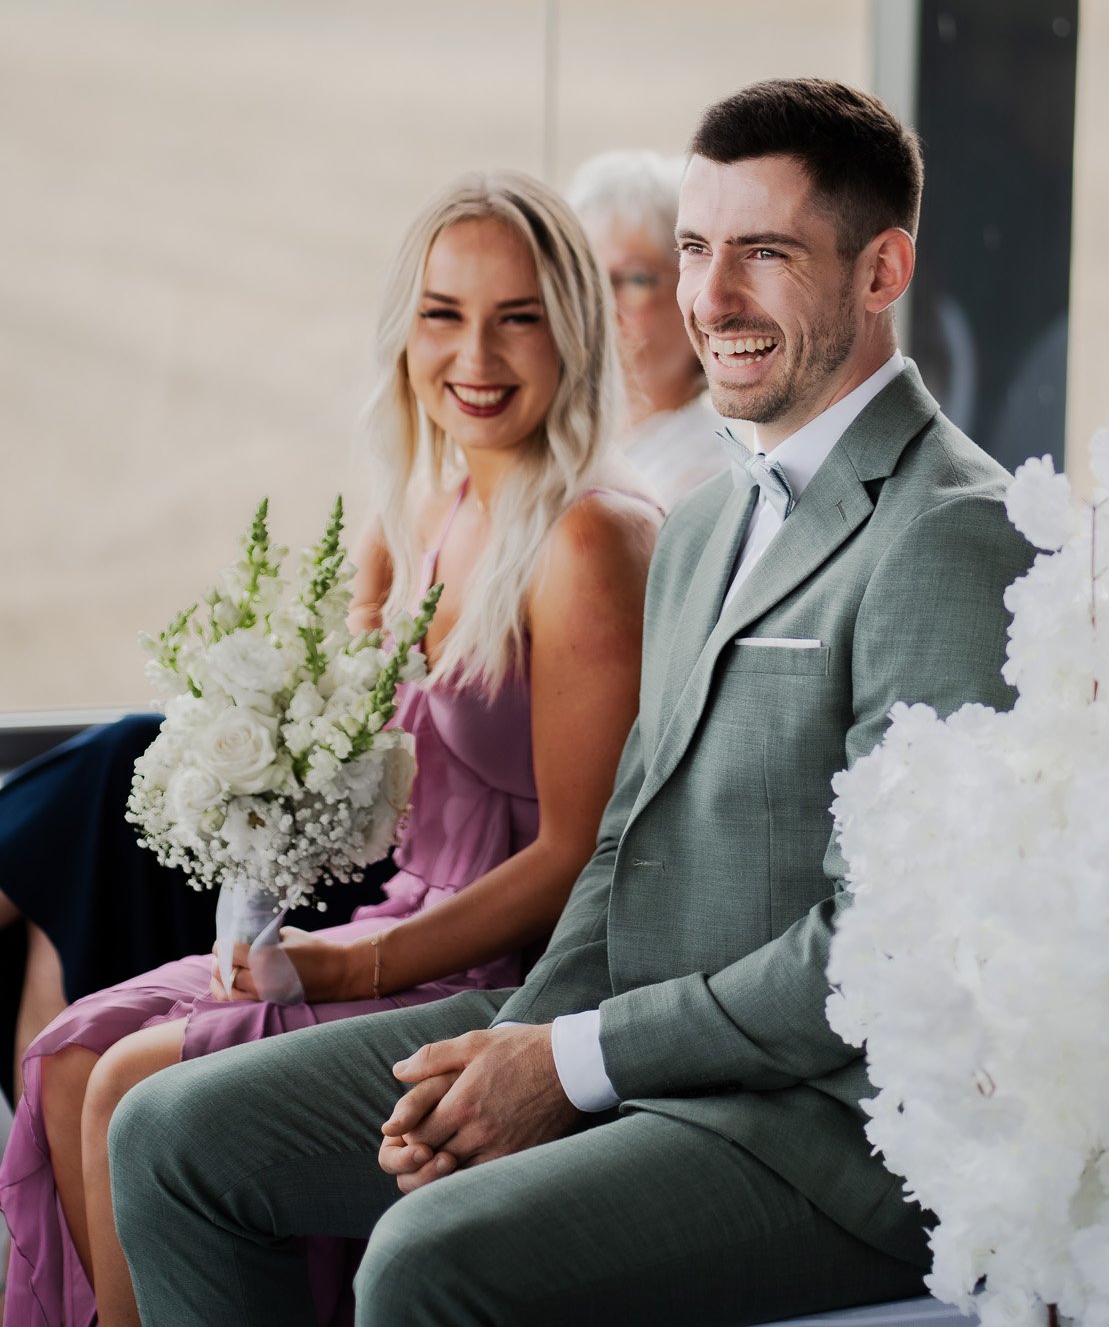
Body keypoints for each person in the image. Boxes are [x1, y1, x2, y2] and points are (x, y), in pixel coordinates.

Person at [108, 76, 1032, 1327]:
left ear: (882, 271)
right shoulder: (708, 519)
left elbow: (885, 952)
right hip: (614, 1041)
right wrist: (520, 1044)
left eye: (765, 253)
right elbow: (621, 852)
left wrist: (570, 1062)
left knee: (428, 1257)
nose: (711, 299)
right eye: (697, 251)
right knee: (173, 1133)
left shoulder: (952, 533)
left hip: (818, 1130)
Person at [0, 170, 659, 1327]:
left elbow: (575, 858)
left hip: (511, 974)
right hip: (394, 924)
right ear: (406, 331)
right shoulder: (420, 512)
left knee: (122, 1082)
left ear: (574, 331)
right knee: (65, 1059)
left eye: (519, 317)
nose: (477, 354)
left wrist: (352, 967)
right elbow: (357, 769)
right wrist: (251, 817)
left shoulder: (588, 536)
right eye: (444, 313)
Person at [568, 147, 730, 507]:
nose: (600, 304)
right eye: (585, 276)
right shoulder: (572, 440)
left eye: (635, 279)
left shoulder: (708, 478)